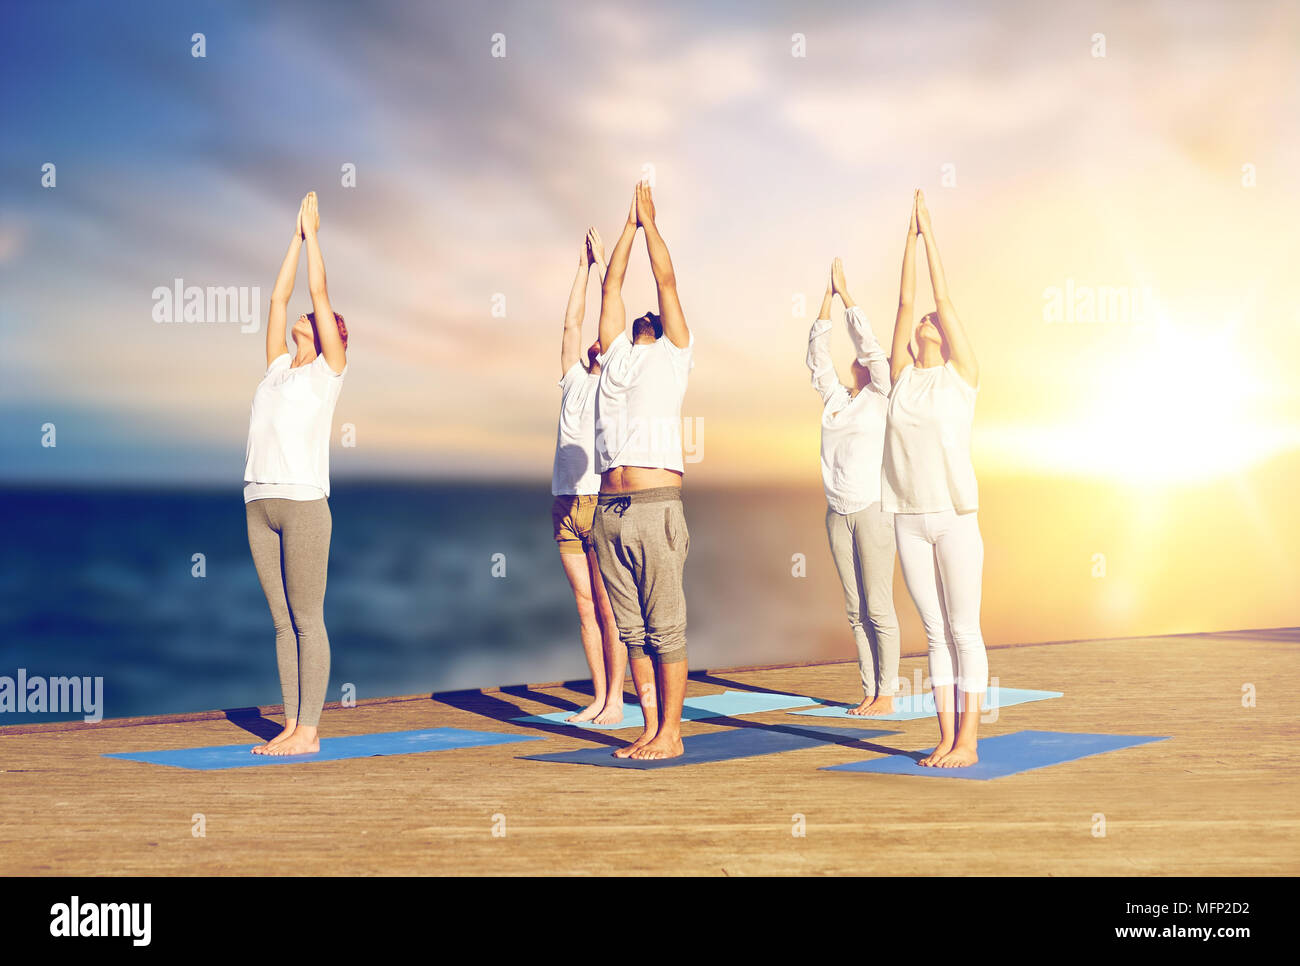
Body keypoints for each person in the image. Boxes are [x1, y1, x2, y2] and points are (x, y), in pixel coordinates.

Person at [883, 189, 987, 767]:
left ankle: (969, 741)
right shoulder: (901, 379)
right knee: (934, 634)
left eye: (932, 321)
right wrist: (908, 238)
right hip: (907, 518)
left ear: (943, 336)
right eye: (921, 320)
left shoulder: (960, 377)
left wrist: (931, 231)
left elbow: (939, 297)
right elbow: (904, 301)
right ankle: (945, 737)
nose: (925, 318)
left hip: (954, 519)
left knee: (964, 630)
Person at [591, 181, 693, 760]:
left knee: (665, 627)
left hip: (656, 507)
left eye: (650, 318)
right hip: (609, 509)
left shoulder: (673, 355)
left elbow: (667, 282)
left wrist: (650, 223)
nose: (645, 319)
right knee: (632, 632)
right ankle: (650, 728)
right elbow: (612, 285)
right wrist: (625, 228)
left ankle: (673, 735)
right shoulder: (615, 357)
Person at [244, 191, 348, 756]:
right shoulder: (279, 368)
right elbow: (279, 298)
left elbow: (316, 292)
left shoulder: (328, 374)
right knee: (282, 625)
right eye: (307, 321)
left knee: (308, 619)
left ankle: (309, 731)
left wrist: (316, 238)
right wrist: (294, 235)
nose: (306, 319)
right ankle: (290, 724)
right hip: (258, 503)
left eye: (321, 321)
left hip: (305, 504)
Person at [807, 257, 900, 715]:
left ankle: (887, 692)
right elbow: (817, 359)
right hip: (836, 510)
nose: (859, 362)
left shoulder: (881, 394)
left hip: (873, 508)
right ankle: (869, 689)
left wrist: (846, 295)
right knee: (854, 608)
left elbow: (872, 345)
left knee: (878, 606)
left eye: (864, 361)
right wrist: (823, 297)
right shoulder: (837, 400)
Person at [551, 227, 626, 724]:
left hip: (598, 501)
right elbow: (570, 322)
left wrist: (606, 271)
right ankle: (598, 697)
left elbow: (610, 314)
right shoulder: (573, 376)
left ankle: (617, 700)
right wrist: (583, 267)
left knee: (608, 605)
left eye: (605, 337)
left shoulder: (618, 382)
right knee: (583, 607)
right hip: (563, 501)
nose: (594, 339)